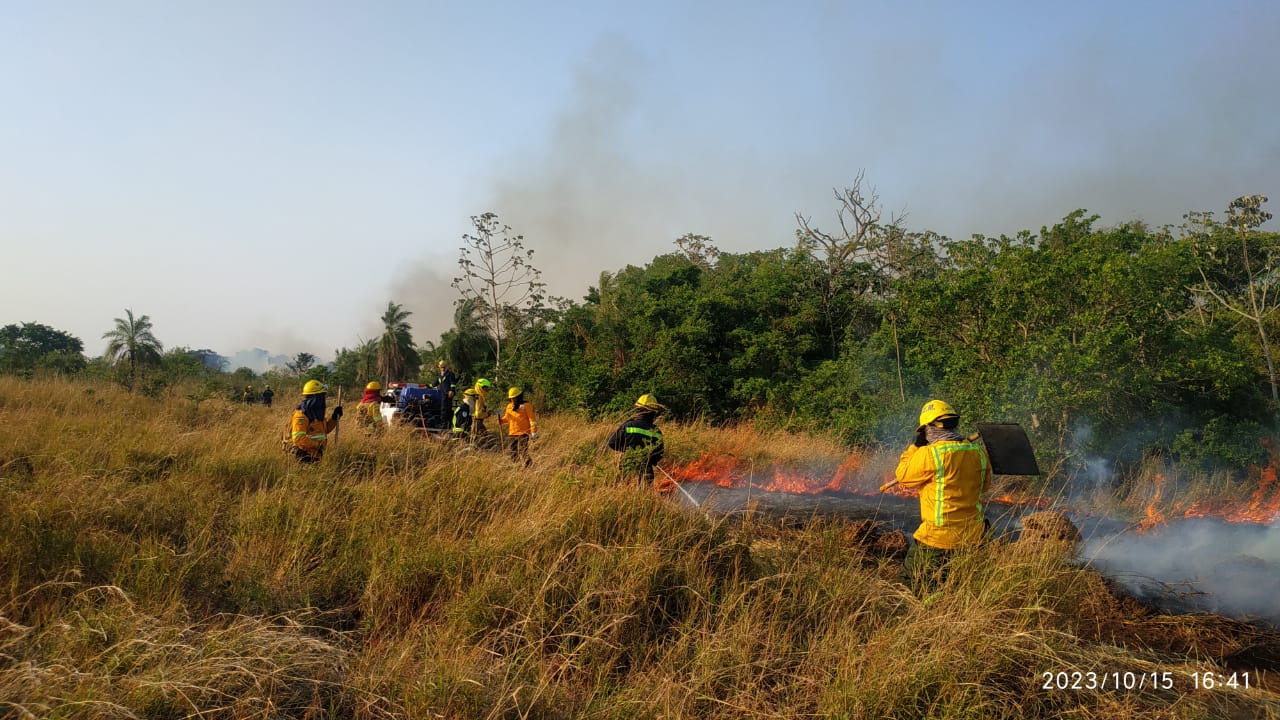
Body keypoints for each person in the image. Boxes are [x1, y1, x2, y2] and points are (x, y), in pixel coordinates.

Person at [893, 399, 992, 593]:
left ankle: (925, 618)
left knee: (909, 585)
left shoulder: (930, 454)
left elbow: (903, 476)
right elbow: (984, 487)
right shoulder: (978, 452)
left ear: (929, 429)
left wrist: (915, 447)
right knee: (955, 588)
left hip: (937, 539)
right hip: (972, 537)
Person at [607, 394, 666, 484]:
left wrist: (627, 451)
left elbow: (611, 442)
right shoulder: (656, 431)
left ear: (638, 410)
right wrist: (651, 459)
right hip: (647, 472)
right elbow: (659, 454)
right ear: (653, 413)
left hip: (627, 468)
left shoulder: (628, 426)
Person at [289, 379, 343, 463]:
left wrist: (334, 418)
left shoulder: (318, 414)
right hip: (304, 457)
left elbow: (325, 430)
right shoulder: (301, 415)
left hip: (316, 455)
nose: (323, 399)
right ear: (315, 397)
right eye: (322, 396)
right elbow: (298, 438)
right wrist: (317, 445)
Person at [499, 386, 537, 466]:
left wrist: (533, 431)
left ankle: (529, 466)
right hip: (512, 433)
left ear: (519, 397)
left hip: (524, 433)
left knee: (523, 450)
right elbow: (507, 417)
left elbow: (532, 419)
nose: (512, 400)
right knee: (513, 452)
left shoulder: (526, 405)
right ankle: (517, 467)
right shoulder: (509, 406)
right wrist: (501, 421)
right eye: (511, 398)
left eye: (514, 398)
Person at [436, 360, 457, 430]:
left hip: (448, 395)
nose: (443, 368)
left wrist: (451, 390)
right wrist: (427, 386)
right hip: (442, 395)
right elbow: (434, 384)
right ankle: (447, 425)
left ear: (446, 367)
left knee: (445, 410)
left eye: (444, 367)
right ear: (439, 367)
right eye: (441, 367)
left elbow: (453, 383)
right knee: (446, 410)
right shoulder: (439, 376)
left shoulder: (450, 374)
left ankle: (444, 426)